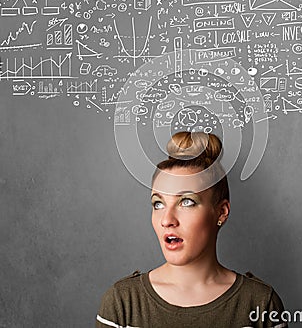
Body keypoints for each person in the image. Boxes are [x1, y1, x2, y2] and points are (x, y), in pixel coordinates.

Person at [96, 131, 288, 328]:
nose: (167, 220)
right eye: (158, 204)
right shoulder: (122, 303)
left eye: (186, 202)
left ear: (221, 212)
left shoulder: (261, 304)